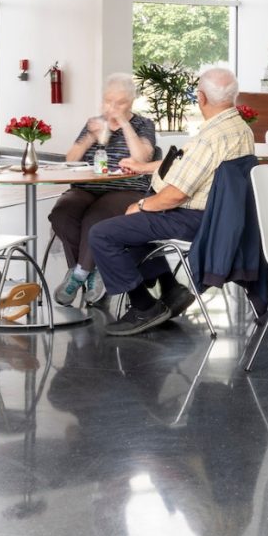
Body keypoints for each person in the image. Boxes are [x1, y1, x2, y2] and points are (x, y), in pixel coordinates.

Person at [90, 65, 254, 335]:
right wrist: (144, 168)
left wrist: (141, 206)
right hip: (221, 218)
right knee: (131, 228)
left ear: (201, 98)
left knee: (103, 234)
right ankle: (170, 288)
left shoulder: (210, 138)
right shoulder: (240, 129)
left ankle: (144, 307)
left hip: (193, 218)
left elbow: (176, 195)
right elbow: (188, 165)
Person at [50, 73, 158, 307]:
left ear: (131, 102)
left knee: (96, 217)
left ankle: (77, 276)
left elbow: (143, 158)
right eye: (109, 101)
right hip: (87, 186)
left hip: (127, 189)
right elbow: (70, 160)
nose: (112, 107)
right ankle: (90, 269)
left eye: (119, 102)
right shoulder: (94, 122)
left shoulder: (143, 124)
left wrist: (125, 124)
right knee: (62, 213)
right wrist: (90, 136)